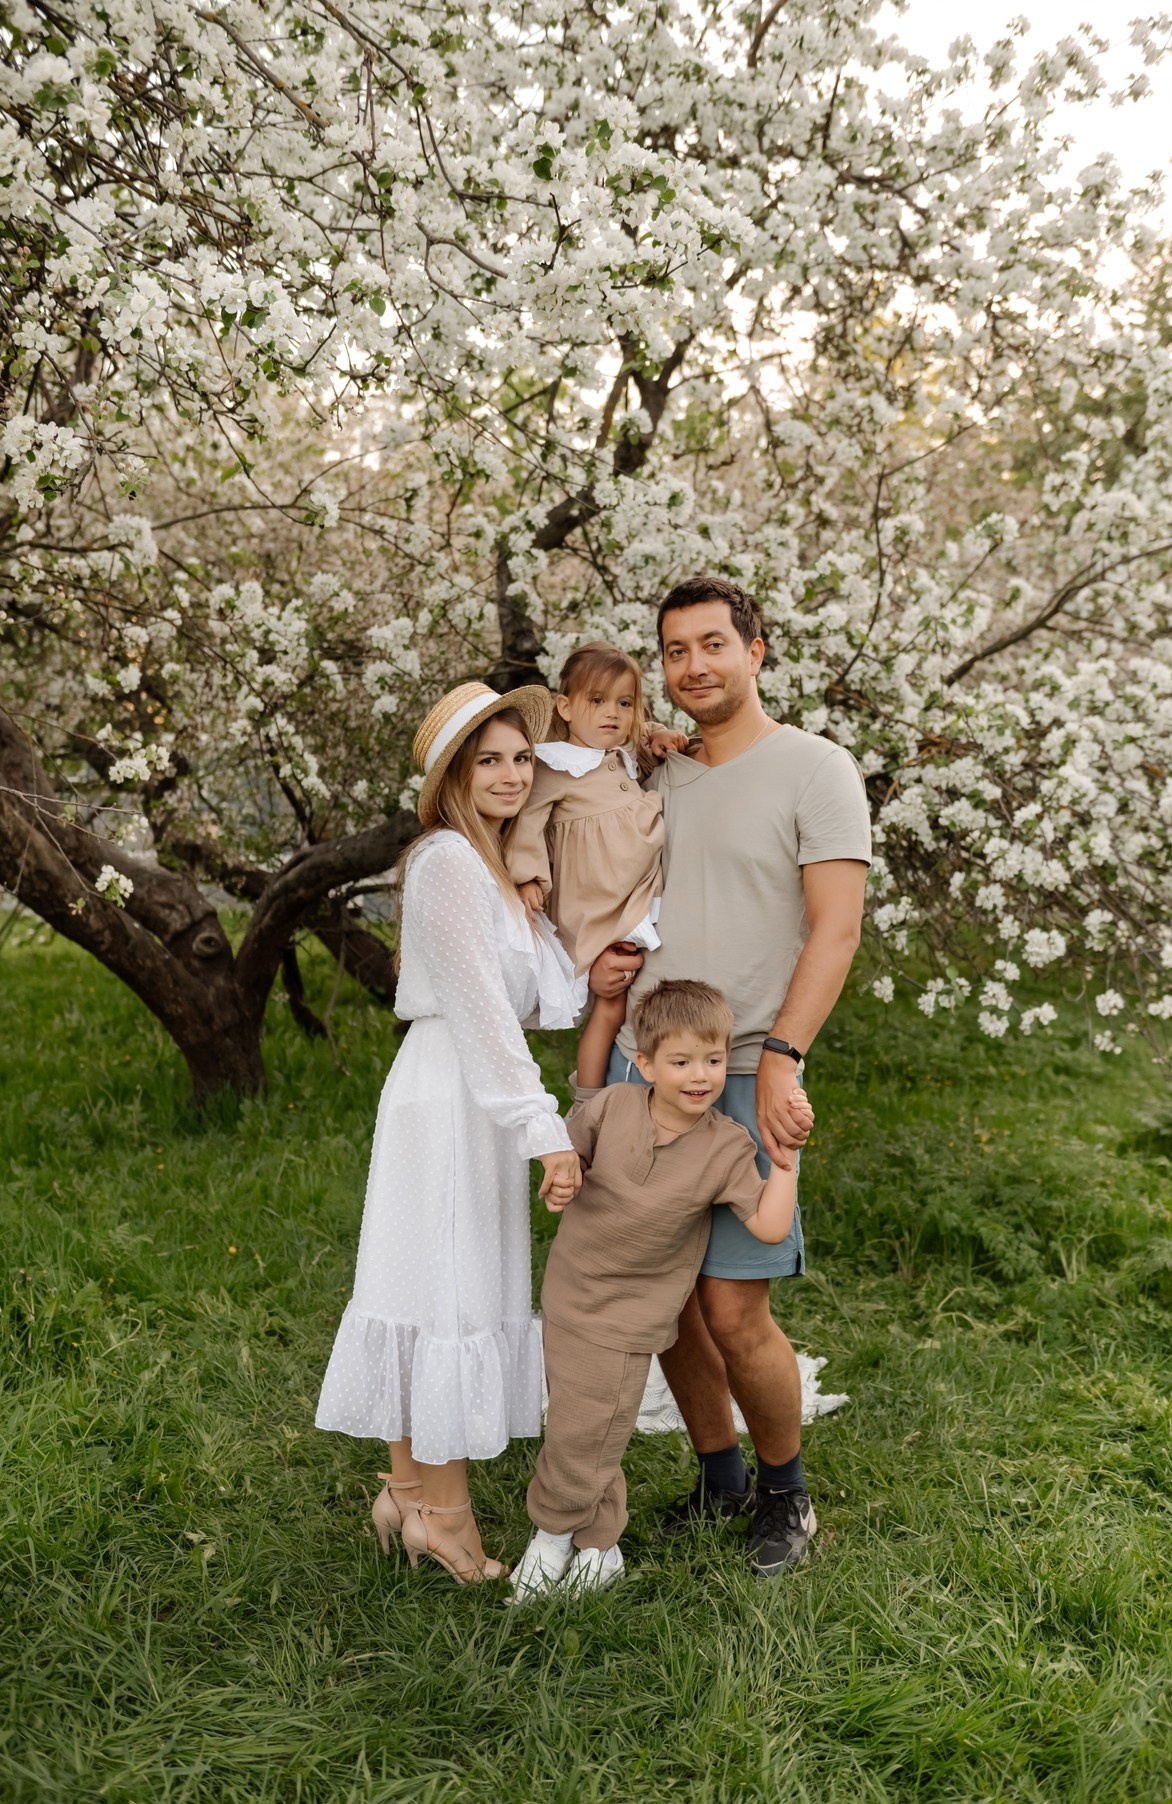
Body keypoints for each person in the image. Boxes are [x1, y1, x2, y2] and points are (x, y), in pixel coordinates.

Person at [589, 575, 871, 1577]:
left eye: (713, 643)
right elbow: (545, 741)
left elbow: (834, 930)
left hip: (747, 1066)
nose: (694, 665)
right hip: (644, 1072)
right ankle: (719, 1481)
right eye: (675, 651)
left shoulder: (815, 769)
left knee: (731, 1307)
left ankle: (786, 1495)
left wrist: (785, 1055)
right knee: (664, 1303)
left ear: (757, 650)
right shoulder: (653, 774)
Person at [315, 681, 585, 1585]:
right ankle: (448, 1520)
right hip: (452, 1090)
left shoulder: (494, 868)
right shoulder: (445, 864)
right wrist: (544, 1128)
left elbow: (550, 998)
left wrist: (540, 902)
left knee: (431, 1288)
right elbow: (481, 1016)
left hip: (473, 1090)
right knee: (446, 1295)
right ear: (452, 777)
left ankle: (406, 1495)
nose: (510, 775)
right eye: (488, 761)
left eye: (519, 758)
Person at [510, 980, 813, 1601]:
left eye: (713, 1060)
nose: (700, 1077)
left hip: (631, 1314)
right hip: (570, 1294)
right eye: (680, 1062)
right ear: (645, 1063)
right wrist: (559, 1181)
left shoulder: (726, 1147)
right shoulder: (615, 1106)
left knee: (588, 1425)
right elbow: (569, 1153)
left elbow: (769, 1225)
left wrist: (787, 1159)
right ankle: (599, 1543)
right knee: (584, 1420)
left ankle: (552, 1533)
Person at [504, 641, 685, 1088]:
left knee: (624, 999)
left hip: (636, 886)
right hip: (597, 898)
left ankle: (636, 1078)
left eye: (625, 703)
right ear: (565, 706)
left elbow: (644, 740)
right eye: (598, 701)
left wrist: (656, 732)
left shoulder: (619, 755)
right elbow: (527, 822)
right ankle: (587, 1094)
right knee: (609, 1003)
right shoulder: (554, 765)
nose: (613, 713)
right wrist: (528, 877)